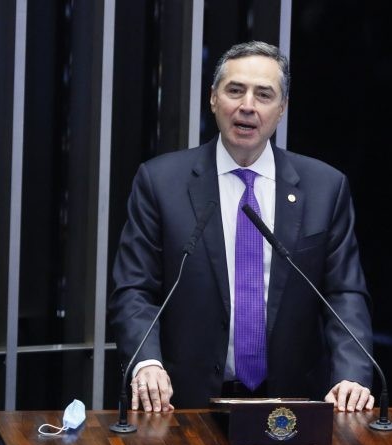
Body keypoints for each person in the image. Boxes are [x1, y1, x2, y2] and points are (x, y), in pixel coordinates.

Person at [108, 41, 375, 414]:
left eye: (263, 95)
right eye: (235, 90)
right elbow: (135, 290)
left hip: (293, 402)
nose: (247, 105)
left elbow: (343, 293)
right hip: (184, 404)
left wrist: (352, 374)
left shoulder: (324, 188)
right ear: (214, 99)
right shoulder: (160, 182)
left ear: (281, 110)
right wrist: (147, 361)